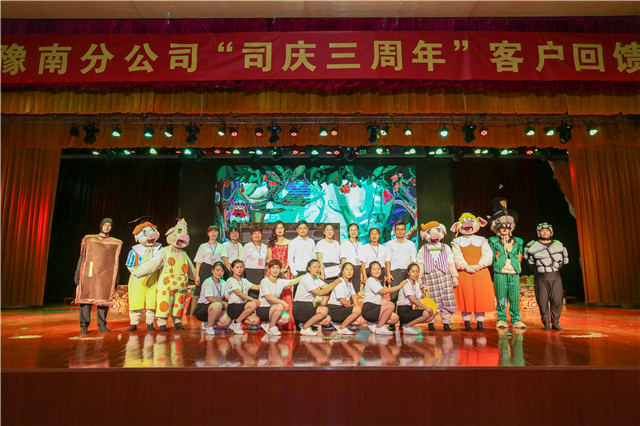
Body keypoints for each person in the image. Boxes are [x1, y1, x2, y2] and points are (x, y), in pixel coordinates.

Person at [133, 219, 196, 331]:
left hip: (181, 286)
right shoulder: (164, 251)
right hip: (167, 286)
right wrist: (140, 272)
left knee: (179, 304)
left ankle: (177, 322)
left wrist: (197, 278)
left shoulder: (184, 254)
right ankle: (162, 323)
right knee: (164, 303)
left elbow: (191, 269)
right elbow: (153, 264)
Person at [74, 218, 123, 334]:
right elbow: (82, 256)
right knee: (85, 299)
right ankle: (84, 325)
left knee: (103, 299)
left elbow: (116, 261)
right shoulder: (90, 239)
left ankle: (101, 324)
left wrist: (117, 277)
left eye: (109, 225)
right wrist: (77, 272)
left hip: (104, 275)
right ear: (101, 226)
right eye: (105, 225)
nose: (107, 227)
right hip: (89, 273)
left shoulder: (114, 243)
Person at [450, 213, 495, 331]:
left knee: (480, 297)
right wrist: (466, 266)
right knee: (466, 297)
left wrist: (479, 265)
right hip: (464, 273)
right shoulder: (457, 241)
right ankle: (467, 322)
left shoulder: (482, 240)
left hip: (480, 272)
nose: (468, 227)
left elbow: (488, 254)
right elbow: (456, 256)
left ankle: (480, 322)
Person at [487, 198, 526, 330]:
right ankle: (502, 319)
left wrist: (517, 265)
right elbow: (491, 254)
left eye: (507, 227)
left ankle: (516, 319)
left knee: (514, 297)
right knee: (501, 297)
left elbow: (520, 255)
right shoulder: (493, 241)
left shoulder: (518, 241)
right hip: (500, 272)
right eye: (502, 227)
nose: (504, 229)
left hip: (514, 272)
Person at [524, 223, 569, 331]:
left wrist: (554, 268)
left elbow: (563, 260)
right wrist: (539, 270)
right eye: (542, 230)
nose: (545, 232)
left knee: (557, 301)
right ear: (538, 232)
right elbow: (529, 263)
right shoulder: (533, 246)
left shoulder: (558, 245)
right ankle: (546, 322)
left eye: (547, 230)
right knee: (542, 301)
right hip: (541, 278)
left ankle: (555, 322)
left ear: (551, 232)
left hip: (555, 277)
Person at [417, 221, 459, 332]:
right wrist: (419, 278)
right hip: (429, 279)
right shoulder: (423, 249)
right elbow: (420, 264)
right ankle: (430, 323)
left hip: (444, 278)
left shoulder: (446, 248)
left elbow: (451, 262)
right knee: (430, 301)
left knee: (446, 300)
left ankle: (446, 323)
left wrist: (454, 276)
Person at [125, 219, 162, 331]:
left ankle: (150, 323)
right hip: (137, 280)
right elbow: (130, 265)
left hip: (154, 278)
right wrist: (137, 273)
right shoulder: (135, 251)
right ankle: (134, 323)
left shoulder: (159, 249)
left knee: (152, 302)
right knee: (136, 301)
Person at [293, 259, 342, 336]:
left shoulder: (316, 278)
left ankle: (304, 324)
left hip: (309, 307)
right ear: (309, 268)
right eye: (314, 267)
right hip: (300, 308)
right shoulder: (307, 278)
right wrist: (335, 282)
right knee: (324, 310)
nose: (317, 269)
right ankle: (305, 328)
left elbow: (327, 287)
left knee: (327, 320)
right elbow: (319, 292)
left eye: (319, 267)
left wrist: (335, 284)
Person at [257, 259, 303, 336]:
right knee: (280, 306)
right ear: (269, 269)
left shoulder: (280, 281)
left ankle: (267, 324)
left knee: (286, 318)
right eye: (273, 268)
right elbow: (269, 298)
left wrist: (307, 275)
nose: (275, 270)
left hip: (274, 309)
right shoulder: (264, 281)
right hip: (263, 309)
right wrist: (283, 302)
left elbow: (293, 281)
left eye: (278, 268)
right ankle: (272, 327)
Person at [362, 261, 408, 335]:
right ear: (370, 271)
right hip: (369, 309)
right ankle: (379, 327)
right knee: (391, 305)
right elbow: (384, 291)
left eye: (378, 269)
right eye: (374, 269)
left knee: (395, 318)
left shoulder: (378, 282)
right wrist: (399, 286)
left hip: (376, 308)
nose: (377, 271)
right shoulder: (370, 280)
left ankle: (373, 323)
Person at [266, 220, 295, 330]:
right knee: (273, 294)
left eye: (281, 228)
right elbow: (270, 258)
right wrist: (276, 269)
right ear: (274, 230)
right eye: (277, 228)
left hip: (286, 271)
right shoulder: (270, 243)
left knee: (286, 294)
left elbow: (290, 257)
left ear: (284, 229)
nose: (279, 230)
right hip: (273, 270)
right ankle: (272, 322)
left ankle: (287, 323)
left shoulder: (289, 242)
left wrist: (285, 268)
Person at [396, 263, 436, 334]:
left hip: (410, 309)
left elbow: (419, 299)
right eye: (413, 271)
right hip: (403, 311)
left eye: (417, 271)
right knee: (426, 313)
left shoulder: (416, 284)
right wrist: (426, 309)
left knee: (430, 317)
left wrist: (426, 308)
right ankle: (407, 327)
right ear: (408, 273)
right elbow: (413, 299)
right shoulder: (406, 283)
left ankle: (407, 325)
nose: (415, 274)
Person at [327, 262, 366, 335]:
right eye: (347, 269)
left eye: (351, 270)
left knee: (361, 320)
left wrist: (356, 307)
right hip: (334, 309)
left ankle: (339, 324)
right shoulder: (340, 282)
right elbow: (343, 301)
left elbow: (354, 295)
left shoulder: (349, 283)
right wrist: (354, 308)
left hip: (342, 309)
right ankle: (342, 328)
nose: (349, 271)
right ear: (342, 271)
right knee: (357, 310)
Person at [194, 261, 231, 335]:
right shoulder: (208, 282)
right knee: (217, 305)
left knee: (226, 321)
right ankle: (210, 327)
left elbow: (226, 296)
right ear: (212, 271)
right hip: (202, 308)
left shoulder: (223, 282)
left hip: (215, 307)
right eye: (217, 270)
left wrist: (233, 302)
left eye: (222, 271)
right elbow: (210, 299)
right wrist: (224, 303)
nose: (219, 272)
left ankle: (208, 322)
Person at [385, 220, 417, 304]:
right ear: (395, 230)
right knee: (394, 296)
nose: (400, 231)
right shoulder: (389, 244)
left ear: (405, 230)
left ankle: (406, 312)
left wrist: (413, 274)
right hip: (395, 273)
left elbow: (413, 259)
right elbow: (387, 260)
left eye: (402, 229)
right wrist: (388, 274)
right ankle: (393, 312)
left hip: (407, 273)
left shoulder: (410, 244)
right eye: (398, 229)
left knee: (408, 296)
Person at [225, 259, 261, 335]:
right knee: (254, 304)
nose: (239, 269)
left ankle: (236, 322)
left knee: (256, 321)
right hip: (233, 307)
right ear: (232, 269)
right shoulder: (230, 280)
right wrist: (252, 299)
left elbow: (257, 287)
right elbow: (239, 293)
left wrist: (267, 281)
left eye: (241, 267)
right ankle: (236, 323)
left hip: (243, 307)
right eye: (237, 267)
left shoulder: (244, 281)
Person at [193, 225, 223, 314]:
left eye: (215, 231)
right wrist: (197, 276)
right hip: (205, 269)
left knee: (216, 289)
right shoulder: (203, 246)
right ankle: (196, 311)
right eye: (211, 231)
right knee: (200, 290)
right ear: (208, 234)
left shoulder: (222, 246)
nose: (213, 233)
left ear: (218, 233)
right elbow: (198, 261)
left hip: (218, 270)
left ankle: (215, 310)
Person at [242, 225, 267, 299]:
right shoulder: (247, 246)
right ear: (251, 235)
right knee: (251, 294)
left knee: (260, 294)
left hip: (261, 273)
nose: (257, 235)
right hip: (249, 272)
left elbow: (267, 261)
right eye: (254, 233)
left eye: (259, 233)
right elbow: (242, 261)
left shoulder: (265, 247)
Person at [340, 223, 365, 292]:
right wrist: (343, 272)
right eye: (351, 230)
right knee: (347, 290)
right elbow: (343, 260)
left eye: (355, 230)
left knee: (356, 290)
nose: (353, 232)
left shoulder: (360, 245)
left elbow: (361, 261)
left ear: (358, 231)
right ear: (348, 232)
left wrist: (361, 274)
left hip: (357, 269)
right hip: (348, 269)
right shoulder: (345, 244)